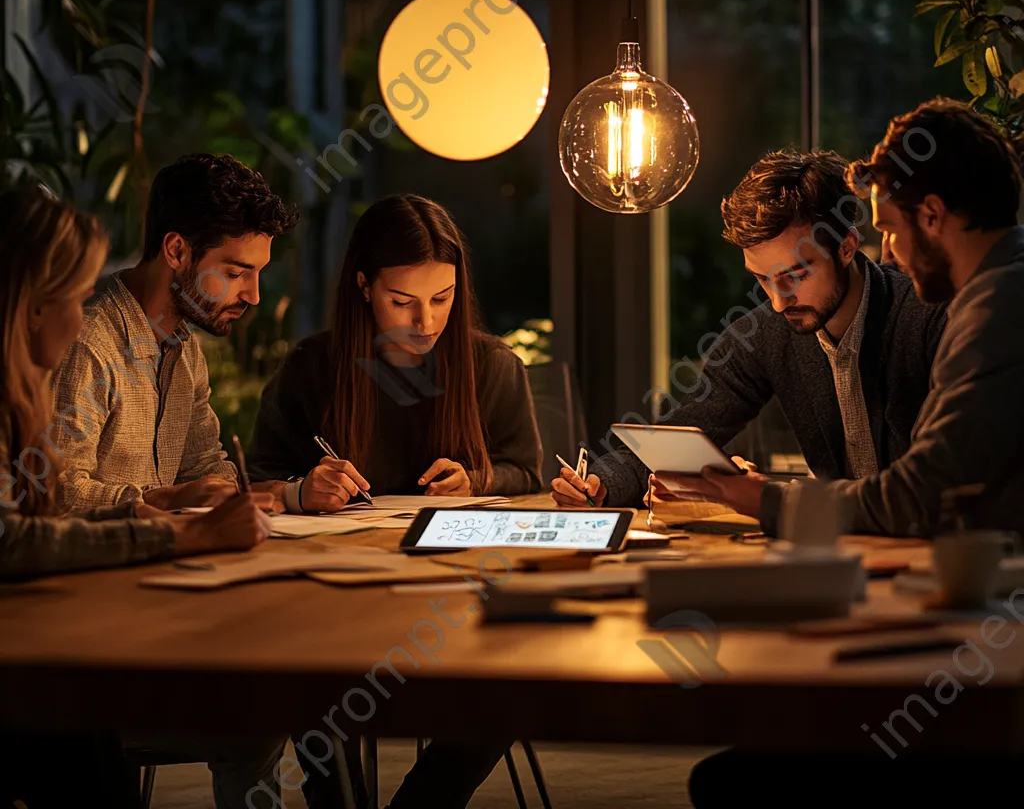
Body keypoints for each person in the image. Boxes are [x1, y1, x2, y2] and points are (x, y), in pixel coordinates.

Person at [249, 193, 542, 809]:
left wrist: (478, 480)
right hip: (336, 596)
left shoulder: (491, 365)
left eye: (442, 298)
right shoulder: (313, 368)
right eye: (402, 301)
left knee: (520, 674)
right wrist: (303, 491)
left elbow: (527, 472)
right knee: (307, 667)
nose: (426, 322)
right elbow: (259, 478)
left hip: (457, 592)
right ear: (363, 286)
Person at [0, 187, 278, 809]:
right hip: (62, 657)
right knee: (255, 710)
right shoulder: (89, 348)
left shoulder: (183, 352)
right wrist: (175, 520)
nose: (81, 316)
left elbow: (210, 464)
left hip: (91, 628)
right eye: (73, 298)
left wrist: (265, 495)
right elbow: (32, 522)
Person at [677, 98, 1024, 542]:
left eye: (891, 229)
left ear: (933, 216)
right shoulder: (994, 296)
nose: (890, 252)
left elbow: (919, 497)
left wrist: (765, 500)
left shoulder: (998, 310)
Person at [551, 148, 946, 511]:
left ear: (846, 247)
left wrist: (770, 498)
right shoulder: (765, 334)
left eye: (795, 274)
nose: (778, 301)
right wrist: (601, 482)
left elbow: (933, 480)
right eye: (762, 279)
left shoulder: (924, 315)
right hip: (840, 553)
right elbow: (685, 428)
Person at [51, 153, 299, 513]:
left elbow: (204, 471)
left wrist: (291, 493)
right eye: (234, 274)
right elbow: (55, 494)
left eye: (257, 273)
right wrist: (161, 498)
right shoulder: (88, 340)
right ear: (177, 250)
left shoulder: (182, 346)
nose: (253, 296)